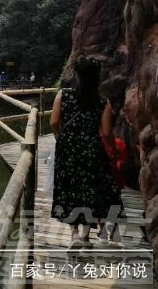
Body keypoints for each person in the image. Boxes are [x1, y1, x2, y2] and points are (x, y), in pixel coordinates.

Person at [49, 56, 124, 249]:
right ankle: (85, 236)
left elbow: (54, 122)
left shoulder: (63, 95)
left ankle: (73, 234)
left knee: (70, 188)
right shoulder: (102, 102)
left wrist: (61, 138)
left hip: (68, 148)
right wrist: (114, 151)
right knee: (91, 190)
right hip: (92, 149)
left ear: (77, 75)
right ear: (96, 77)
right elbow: (107, 133)